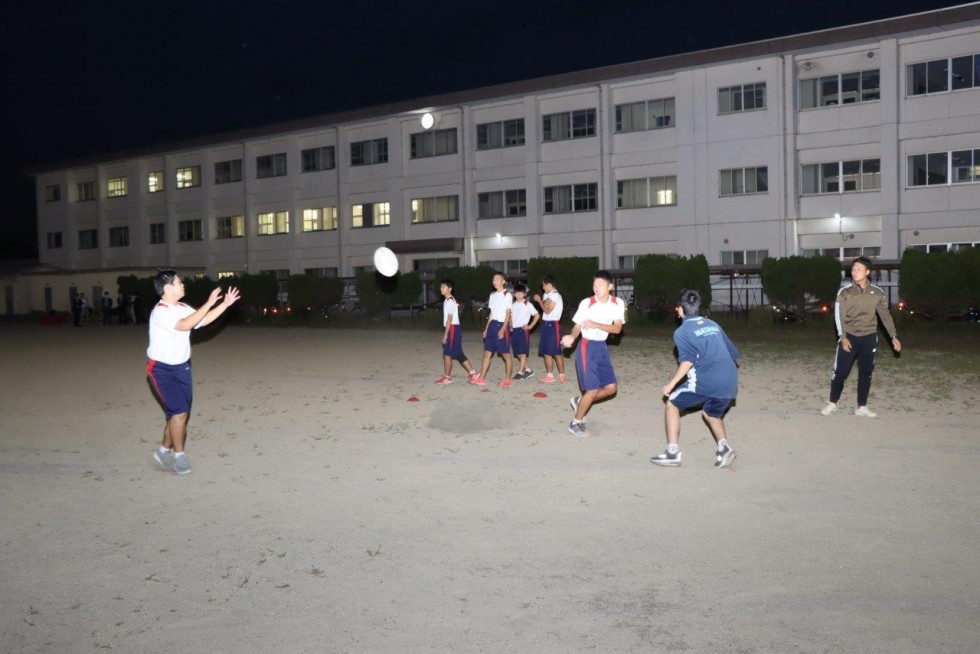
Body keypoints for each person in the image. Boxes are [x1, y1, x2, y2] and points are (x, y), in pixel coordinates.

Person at [146, 269, 240, 475]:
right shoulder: (161, 311)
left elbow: (202, 321)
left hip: (182, 367)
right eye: (179, 282)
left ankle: (162, 451)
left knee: (178, 414)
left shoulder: (182, 306)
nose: (183, 285)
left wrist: (224, 304)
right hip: (161, 370)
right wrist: (208, 303)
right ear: (168, 287)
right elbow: (185, 324)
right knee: (179, 413)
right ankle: (179, 456)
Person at [651, 289, 739, 468]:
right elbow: (733, 353)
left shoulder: (682, 331)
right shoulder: (713, 324)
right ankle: (724, 448)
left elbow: (687, 361)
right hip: (730, 381)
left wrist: (671, 384)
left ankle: (672, 453)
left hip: (707, 380)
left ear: (680, 309)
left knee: (672, 403)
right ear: (698, 307)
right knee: (711, 413)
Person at [821, 256, 902, 418]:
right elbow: (839, 316)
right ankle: (833, 402)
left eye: (858, 269)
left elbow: (885, 316)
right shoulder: (844, 292)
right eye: (853, 269)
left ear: (867, 272)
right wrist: (843, 337)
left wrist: (893, 336)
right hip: (849, 336)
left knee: (866, 372)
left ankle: (861, 406)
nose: (854, 272)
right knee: (841, 372)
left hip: (869, 338)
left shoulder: (877, 293)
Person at [560, 270, 626, 437]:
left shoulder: (617, 303)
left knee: (611, 388)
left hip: (601, 347)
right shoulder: (587, 303)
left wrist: (596, 324)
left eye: (600, 285)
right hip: (586, 347)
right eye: (594, 284)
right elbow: (577, 326)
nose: (596, 288)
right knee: (592, 389)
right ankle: (576, 424)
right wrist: (572, 337)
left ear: (610, 287)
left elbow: (617, 328)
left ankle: (580, 402)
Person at [473, 272, 514, 388]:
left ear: (503, 281)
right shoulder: (492, 295)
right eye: (493, 280)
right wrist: (486, 328)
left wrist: (503, 329)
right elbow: (491, 313)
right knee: (487, 353)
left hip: (501, 325)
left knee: (505, 355)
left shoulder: (507, 295)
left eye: (497, 279)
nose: (494, 281)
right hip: (492, 325)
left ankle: (507, 379)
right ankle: (482, 378)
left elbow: (508, 314)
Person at [434, 278, 478, 385]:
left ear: (450, 289)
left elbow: (449, 318)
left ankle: (448, 377)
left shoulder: (449, 301)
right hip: (453, 328)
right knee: (456, 353)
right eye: (441, 287)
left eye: (443, 287)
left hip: (452, 329)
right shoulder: (447, 300)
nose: (441, 289)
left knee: (447, 354)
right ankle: (472, 373)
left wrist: (445, 335)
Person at [533, 275, 566, 383]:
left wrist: (539, 302)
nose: (543, 288)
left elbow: (547, 311)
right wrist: (541, 301)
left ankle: (562, 375)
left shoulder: (556, 295)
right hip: (546, 324)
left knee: (556, 351)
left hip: (553, 324)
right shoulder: (547, 294)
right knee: (546, 351)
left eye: (544, 285)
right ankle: (550, 375)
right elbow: (545, 306)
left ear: (549, 285)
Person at [509, 283, 540, 379]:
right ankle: (528, 370)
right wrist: (510, 323)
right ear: (514, 294)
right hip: (514, 331)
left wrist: (530, 326)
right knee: (517, 353)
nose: (518, 294)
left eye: (521, 293)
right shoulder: (512, 305)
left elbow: (537, 315)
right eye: (517, 293)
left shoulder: (528, 304)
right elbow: (510, 316)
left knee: (522, 352)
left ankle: (520, 372)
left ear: (524, 294)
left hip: (523, 331)